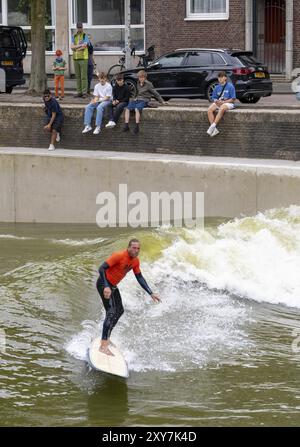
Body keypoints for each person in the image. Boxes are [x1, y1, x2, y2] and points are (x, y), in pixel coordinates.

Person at [97, 239, 161, 356]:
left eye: (138, 249)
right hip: (103, 283)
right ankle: (103, 346)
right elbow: (101, 269)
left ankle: (107, 338)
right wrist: (106, 286)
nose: (136, 251)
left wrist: (151, 293)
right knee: (111, 312)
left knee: (119, 311)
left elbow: (139, 277)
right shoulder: (119, 256)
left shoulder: (135, 261)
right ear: (129, 247)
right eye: (134, 248)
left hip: (113, 286)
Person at [123, 70, 166, 134]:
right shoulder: (137, 83)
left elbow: (155, 93)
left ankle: (137, 126)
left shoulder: (149, 84)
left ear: (145, 78)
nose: (141, 79)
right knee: (127, 109)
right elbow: (137, 92)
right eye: (140, 77)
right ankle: (126, 126)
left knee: (137, 109)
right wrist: (134, 98)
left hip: (145, 100)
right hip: (137, 99)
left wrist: (162, 101)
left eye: (142, 77)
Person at [207, 71, 236, 137]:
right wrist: (216, 101)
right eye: (219, 77)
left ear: (225, 78)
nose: (220, 79)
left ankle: (212, 126)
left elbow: (233, 99)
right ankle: (214, 130)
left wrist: (223, 102)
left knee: (222, 108)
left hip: (228, 103)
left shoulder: (230, 86)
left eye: (221, 77)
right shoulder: (217, 87)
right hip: (219, 102)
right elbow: (213, 98)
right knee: (209, 110)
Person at [71, 22, 89, 98]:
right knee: (78, 76)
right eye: (78, 27)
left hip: (84, 58)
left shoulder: (85, 35)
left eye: (80, 27)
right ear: (76, 28)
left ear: (82, 27)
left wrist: (76, 47)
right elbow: (71, 47)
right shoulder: (74, 36)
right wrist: (79, 46)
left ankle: (84, 92)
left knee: (84, 76)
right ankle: (79, 92)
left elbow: (85, 46)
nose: (79, 29)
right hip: (75, 58)